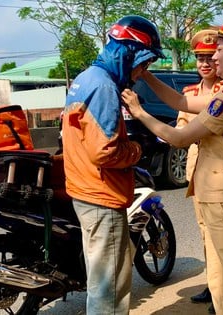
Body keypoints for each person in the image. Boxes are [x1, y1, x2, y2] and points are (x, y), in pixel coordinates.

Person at [122, 6, 223, 315]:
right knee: (219, 283)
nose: (213, 57)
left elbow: (179, 139)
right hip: (215, 195)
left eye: (218, 50)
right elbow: (181, 101)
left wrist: (139, 112)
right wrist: (147, 74)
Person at [61, 15, 165, 314]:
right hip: (102, 196)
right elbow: (105, 153)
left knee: (101, 283)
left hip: (85, 192)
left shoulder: (84, 79)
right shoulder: (104, 87)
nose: (141, 73)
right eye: (143, 64)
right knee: (110, 289)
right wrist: (136, 149)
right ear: (129, 54)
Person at [177, 28, 223, 315]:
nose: (205, 64)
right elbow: (181, 127)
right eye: (199, 59)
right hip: (197, 168)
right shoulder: (189, 94)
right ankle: (212, 282)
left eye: (210, 58)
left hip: (219, 171)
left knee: (221, 233)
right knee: (205, 232)